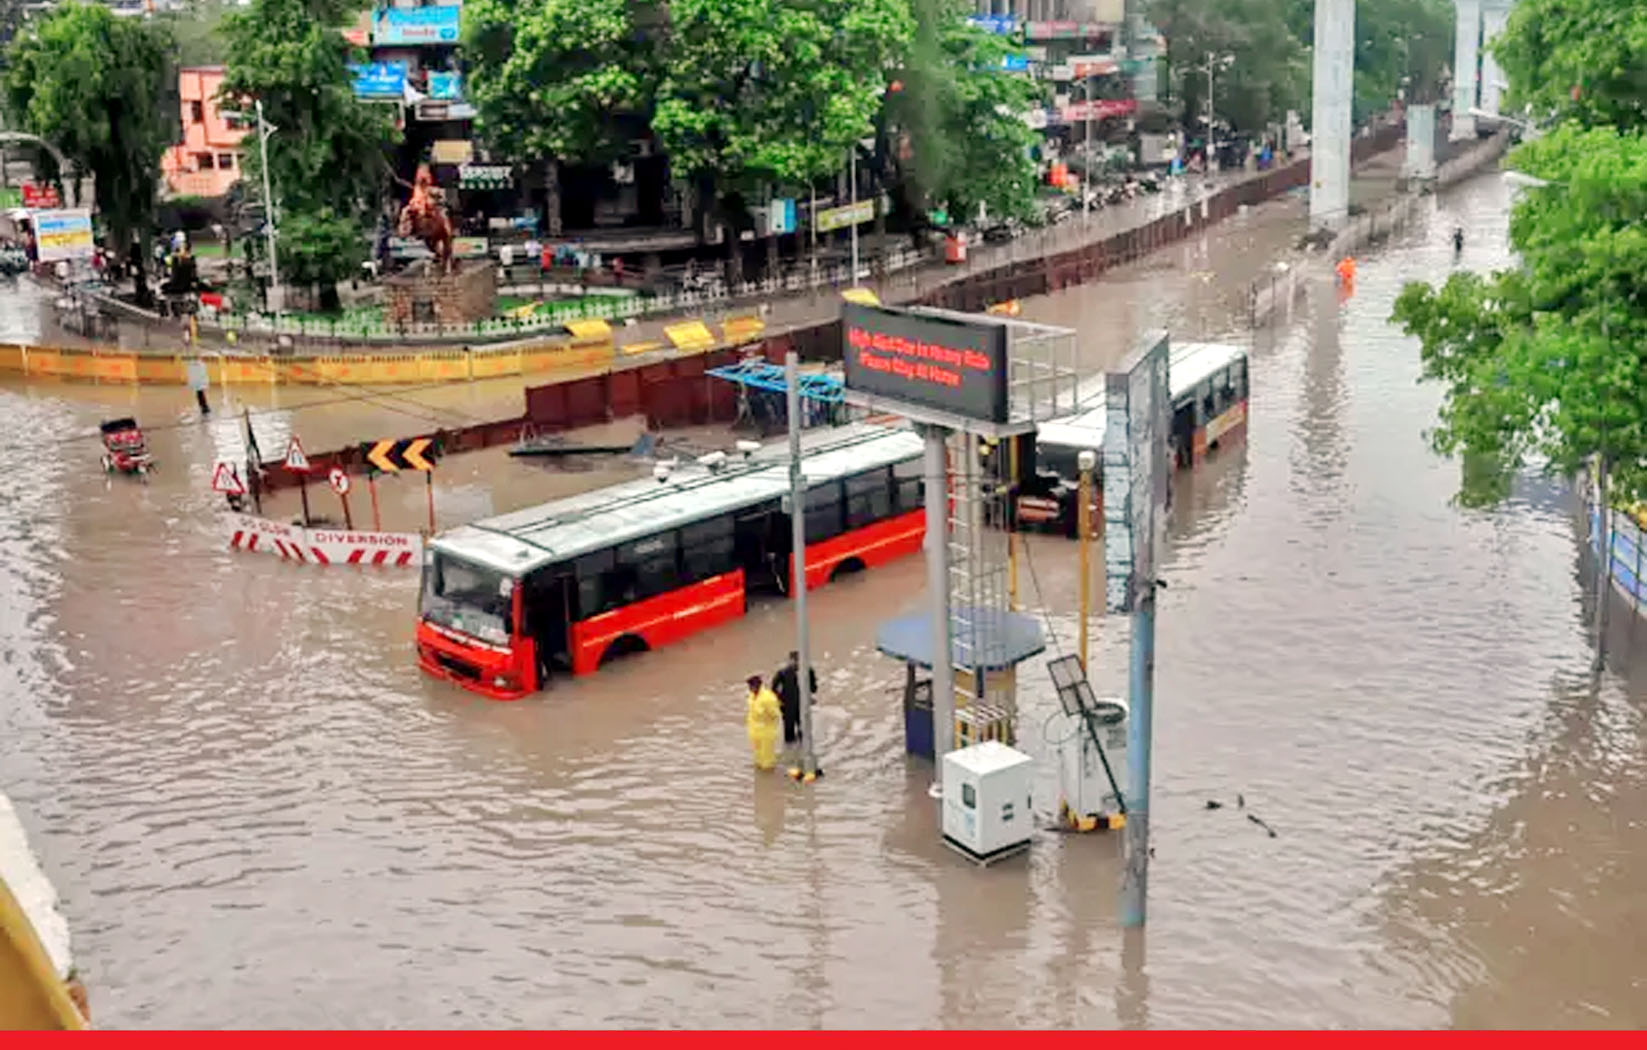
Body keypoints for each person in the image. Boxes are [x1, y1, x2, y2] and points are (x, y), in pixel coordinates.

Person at [771, 650, 819, 748]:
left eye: (798, 661)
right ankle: (789, 750)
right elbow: (774, 689)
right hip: (788, 705)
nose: (796, 663)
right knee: (789, 732)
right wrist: (780, 701)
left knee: (804, 730)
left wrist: (811, 697)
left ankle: (803, 748)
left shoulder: (808, 671)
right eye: (794, 661)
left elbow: (813, 687)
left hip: (803, 705)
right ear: (790, 661)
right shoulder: (782, 673)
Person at [744, 674, 781, 771]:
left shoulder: (768, 698)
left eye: (751, 687)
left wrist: (766, 720)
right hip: (755, 731)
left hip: (766, 733)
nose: (750, 689)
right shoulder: (752, 696)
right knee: (758, 757)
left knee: (767, 761)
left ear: (757, 686)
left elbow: (775, 714)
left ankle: (769, 777)